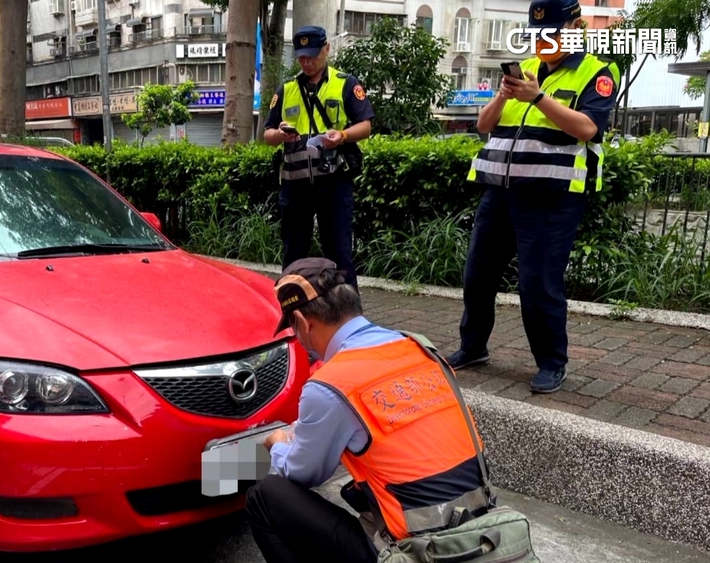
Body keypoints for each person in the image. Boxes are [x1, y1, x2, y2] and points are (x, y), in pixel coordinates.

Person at [246, 257, 493, 563]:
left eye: (294, 328)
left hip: (420, 552)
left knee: (265, 496)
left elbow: (305, 472)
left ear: (303, 321)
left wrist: (278, 445)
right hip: (481, 533)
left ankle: (219, 476)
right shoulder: (421, 349)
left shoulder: (330, 384)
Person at [446, 0, 620, 394]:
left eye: (554, 33)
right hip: (500, 192)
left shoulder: (598, 72)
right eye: (538, 34)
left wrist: (539, 98)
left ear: (577, 26)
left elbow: (589, 129)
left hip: (551, 197)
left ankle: (551, 362)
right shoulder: (525, 70)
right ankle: (472, 347)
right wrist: (506, 95)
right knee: (477, 275)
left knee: (539, 282)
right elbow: (483, 125)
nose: (545, 41)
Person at [263, 25, 375, 290]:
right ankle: (292, 313)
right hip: (295, 185)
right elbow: (267, 133)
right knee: (293, 255)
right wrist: (280, 134)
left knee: (339, 254)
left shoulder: (345, 83)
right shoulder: (288, 88)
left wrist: (343, 136)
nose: (307, 62)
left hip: (333, 182)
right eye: (302, 57)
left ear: (326, 49)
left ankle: (348, 319)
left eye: (312, 56)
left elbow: (366, 125)